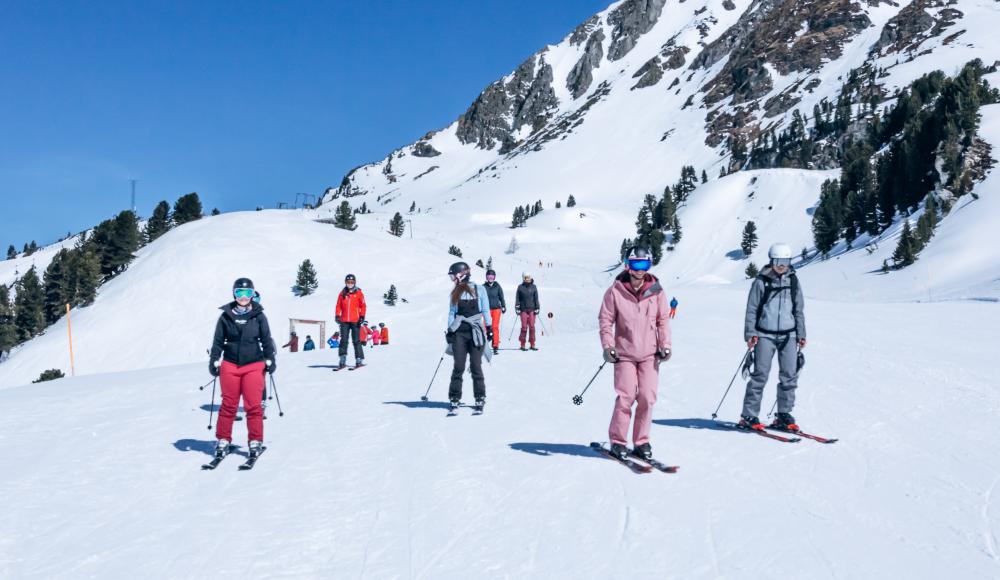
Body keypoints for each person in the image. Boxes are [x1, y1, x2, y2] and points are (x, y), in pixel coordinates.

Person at [598, 248, 671, 461]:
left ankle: (641, 441)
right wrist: (608, 345)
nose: (640, 271)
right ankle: (618, 441)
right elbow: (605, 320)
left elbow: (663, 320)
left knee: (648, 397)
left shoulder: (657, 291)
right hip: (624, 354)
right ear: (628, 266)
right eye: (636, 265)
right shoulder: (615, 291)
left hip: (650, 354)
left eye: (645, 265)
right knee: (626, 397)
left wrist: (665, 344)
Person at [740, 243, 807, 431]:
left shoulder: (793, 281)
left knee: (789, 376)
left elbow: (798, 309)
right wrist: (750, 333)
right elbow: (751, 309)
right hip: (764, 335)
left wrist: (801, 333)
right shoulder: (761, 281)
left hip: (789, 335)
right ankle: (749, 415)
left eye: (785, 261)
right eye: (778, 261)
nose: (781, 265)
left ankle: (784, 414)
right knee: (760, 375)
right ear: (771, 260)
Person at [208, 278, 276, 460]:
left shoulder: (259, 316)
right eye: (240, 293)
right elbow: (218, 341)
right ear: (234, 294)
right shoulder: (225, 316)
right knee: (228, 405)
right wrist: (214, 359)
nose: (244, 297)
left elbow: (266, 339)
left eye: (248, 294)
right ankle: (223, 439)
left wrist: (270, 358)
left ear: (253, 295)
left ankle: (255, 441)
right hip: (230, 364)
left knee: (253, 406)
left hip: (254, 364)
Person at [445, 261, 492, 412]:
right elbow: (452, 312)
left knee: (476, 366)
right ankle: (454, 397)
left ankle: (480, 397)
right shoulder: (455, 291)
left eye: (453, 276)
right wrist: (450, 331)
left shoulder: (479, 289)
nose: (452, 279)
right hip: (459, 332)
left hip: (475, 332)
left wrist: (489, 328)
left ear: (461, 274)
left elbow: (485, 310)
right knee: (458, 366)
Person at [335, 274, 366, 369]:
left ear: (354, 282)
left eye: (352, 282)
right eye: (348, 282)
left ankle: (359, 359)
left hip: (355, 320)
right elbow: (338, 305)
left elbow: (363, 306)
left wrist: (362, 316)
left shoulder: (359, 293)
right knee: (343, 340)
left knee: (356, 341)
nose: (350, 284)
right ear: (345, 282)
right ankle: (342, 360)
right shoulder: (342, 293)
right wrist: (337, 315)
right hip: (344, 320)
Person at [482, 269, 506, 355]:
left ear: (494, 277)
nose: (490, 278)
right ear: (486, 277)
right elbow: (480, 298)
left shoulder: (497, 286)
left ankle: (495, 345)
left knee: (495, 327)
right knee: (485, 327)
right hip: (486, 310)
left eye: (492, 276)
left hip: (496, 309)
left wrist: (503, 306)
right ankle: (484, 345)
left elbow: (501, 297)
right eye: (489, 276)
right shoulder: (483, 286)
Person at [515, 272, 540, 351]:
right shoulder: (520, 287)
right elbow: (517, 298)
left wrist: (537, 307)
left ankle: (532, 344)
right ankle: (522, 344)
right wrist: (517, 307)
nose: (527, 279)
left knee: (532, 327)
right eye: (525, 277)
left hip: (532, 309)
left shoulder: (534, 287)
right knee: (524, 327)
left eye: (528, 277)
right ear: (523, 278)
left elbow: (536, 298)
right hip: (523, 309)